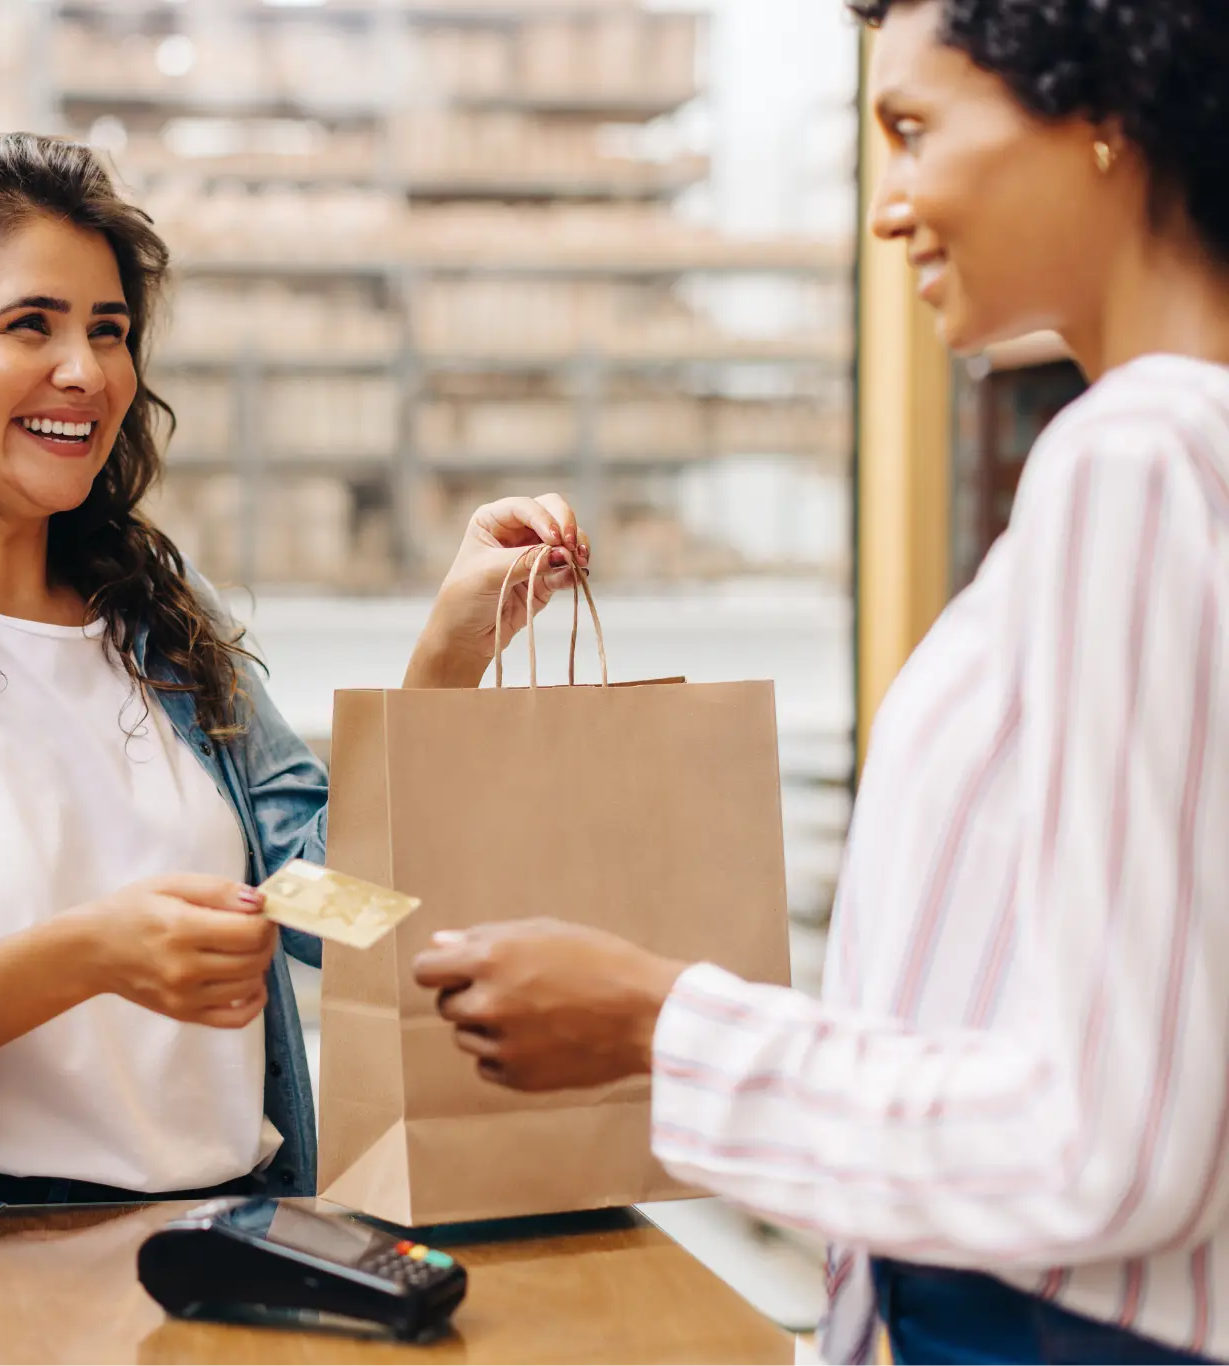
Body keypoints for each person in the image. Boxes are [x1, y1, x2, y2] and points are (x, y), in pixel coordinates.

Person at [413, 2, 1229, 1363]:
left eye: (914, 132)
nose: (889, 209)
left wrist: (654, 1018)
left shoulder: (1136, 460)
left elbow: (1117, 1141)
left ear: (1106, 116)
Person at [0, 131, 588, 1228]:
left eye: (109, 330)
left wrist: (451, 652)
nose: (85, 371)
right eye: (30, 324)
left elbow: (333, 907)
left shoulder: (161, 617)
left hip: (228, 1242)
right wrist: (91, 952)